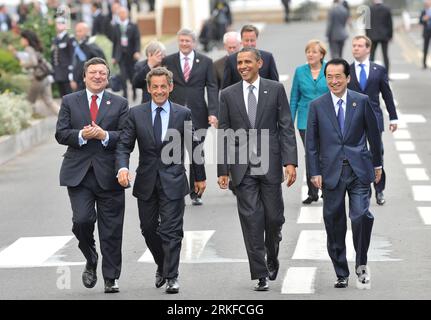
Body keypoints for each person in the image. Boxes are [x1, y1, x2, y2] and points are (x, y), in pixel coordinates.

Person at [116, 66, 206, 294]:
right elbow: (124, 145)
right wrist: (122, 168)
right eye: (154, 87)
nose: (159, 91)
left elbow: (194, 146)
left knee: (172, 230)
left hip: (174, 179)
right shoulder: (135, 114)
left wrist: (200, 177)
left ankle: (172, 277)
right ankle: (162, 265)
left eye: (163, 87)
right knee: (148, 229)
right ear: (148, 88)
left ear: (171, 87)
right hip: (146, 181)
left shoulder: (182, 113)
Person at [217, 47, 298, 291]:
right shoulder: (228, 94)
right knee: (251, 220)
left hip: (270, 163)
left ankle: (271, 252)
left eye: (247, 62)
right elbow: (224, 133)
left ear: (259, 63)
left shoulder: (274, 89)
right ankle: (260, 272)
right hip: (242, 168)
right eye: (239, 62)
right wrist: (223, 169)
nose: (242, 66)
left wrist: (290, 162)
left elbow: (285, 127)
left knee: (274, 218)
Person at [305, 58, 382, 289]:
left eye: (338, 77)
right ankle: (341, 271)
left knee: (360, 216)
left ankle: (361, 262)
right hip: (331, 172)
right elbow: (311, 144)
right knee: (334, 223)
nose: (334, 81)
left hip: (359, 169)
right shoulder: (317, 106)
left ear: (348, 78)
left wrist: (377, 165)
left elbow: (374, 136)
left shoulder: (362, 101)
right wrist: (314, 172)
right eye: (329, 77)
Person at [55, 57, 129, 293]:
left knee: (111, 229)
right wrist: (82, 135)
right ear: (84, 76)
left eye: (102, 73)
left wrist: (104, 135)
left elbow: (125, 137)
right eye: (93, 73)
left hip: (109, 173)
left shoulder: (119, 103)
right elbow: (61, 133)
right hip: (79, 174)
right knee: (82, 221)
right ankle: (90, 256)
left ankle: (111, 277)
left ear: (108, 78)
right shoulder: (69, 101)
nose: (98, 77)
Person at [162, 28, 218, 206]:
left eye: (188, 41)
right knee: (174, 152)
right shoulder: (168, 61)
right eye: (182, 41)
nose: (184, 44)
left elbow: (212, 87)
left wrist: (213, 112)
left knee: (196, 153)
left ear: (193, 43)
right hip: (174, 114)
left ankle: (196, 191)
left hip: (198, 114)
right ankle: (175, 189)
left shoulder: (206, 62)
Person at [348, 35, 398, 205]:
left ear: (368, 48)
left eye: (360, 45)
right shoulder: (347, 70)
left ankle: (379, 190)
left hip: (375, 119)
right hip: (353, 120)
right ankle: (364, 189)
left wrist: (393, 117)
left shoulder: (378, 70)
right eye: (354, 45)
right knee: (359, 155)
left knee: (377, 153)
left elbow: (387, 95)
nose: (356, 48)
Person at [290, 40, 329, 204]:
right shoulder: (300, 71)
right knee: (311, 154)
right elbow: (294, 97)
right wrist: (289, 121)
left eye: (314, 52)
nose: (310, 54)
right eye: (308, 51)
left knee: (326, 154)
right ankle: (312, 192)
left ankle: (327, 189)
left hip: (326, 118)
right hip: (305, 119)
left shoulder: (329, 69)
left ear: (321, 54)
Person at [10, 30, 59, 116]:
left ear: (26, 40)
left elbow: (34, 62)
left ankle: (27, 120)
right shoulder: (36, 48)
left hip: (38, 79)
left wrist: (24, 64)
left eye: (22, 38)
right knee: (49, 101)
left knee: (29, 102)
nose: (21, 41)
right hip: (45, 77)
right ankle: (68, 119)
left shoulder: (28, 48)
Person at [222, 24, 279, 89]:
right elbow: (226, 87)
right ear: (241, 40)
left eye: (252, 40)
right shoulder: (231, 60)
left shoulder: (268, 58)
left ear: (256, 39)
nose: (249, 44)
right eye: (246, 40)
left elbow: (275, 85)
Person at [112, 7, 141, 101]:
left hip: (131, 55)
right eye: (120, 13)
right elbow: (115, 42)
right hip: (121, 56)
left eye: (123, 13)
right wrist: (113, 56)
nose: (122, 15)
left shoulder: (133, 25)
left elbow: (137, 40)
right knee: (123, 76)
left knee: (132, 76)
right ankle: (125, 95)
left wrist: (137, 51)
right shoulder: (116, 26)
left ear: (127, 14)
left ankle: (134, 91)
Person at [71, 22, 106, 92]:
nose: (77, 33)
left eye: (80, 31)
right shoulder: (77, 45)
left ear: (86, 31)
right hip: (79, 81)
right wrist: (74, 79)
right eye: (76, 31)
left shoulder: (91, 45)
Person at [366, 0, 393, 73]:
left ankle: (370, 74)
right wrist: (390, 36)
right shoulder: (387, 9)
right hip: (384, 36)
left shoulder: (369, 9)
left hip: (372, 36)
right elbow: (390, 24)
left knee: (372, 56)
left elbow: (367, 25)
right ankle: (387, 74)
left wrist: (367, 36)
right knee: (385, 55)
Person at [51, 16, 75, 97]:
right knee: (63, 96)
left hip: (66, 71)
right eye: (57, 24)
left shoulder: (69, 38)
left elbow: (72, 56)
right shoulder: (55, 39)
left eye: (60, 23)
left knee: (69, 95)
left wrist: (71, 72)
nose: (58, 26)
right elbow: (53, 56)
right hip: (58, 72)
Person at [420, 0, 431, 69]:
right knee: (425, 48)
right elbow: (420, 21)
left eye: (428, 2)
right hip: (426, 32)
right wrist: (423, 19)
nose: (426, 4)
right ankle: (424, 64)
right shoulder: (423, 11)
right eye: (426, 3)